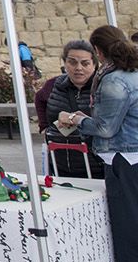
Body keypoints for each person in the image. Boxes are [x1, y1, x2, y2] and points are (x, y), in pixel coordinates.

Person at [59, 25, 138, 262]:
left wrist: (78, 119)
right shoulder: (132, 75)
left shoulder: (115, 81)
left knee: (128, 233)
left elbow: (105, 128)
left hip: (122, 161)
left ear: (99, 52)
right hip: (132, 157)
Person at [37, 39, 103, 178]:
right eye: (72, 62)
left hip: (97, 166)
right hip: (59, 163)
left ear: (95, 64)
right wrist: (44, 126)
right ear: (65, 62)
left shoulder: (104, 87)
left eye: (85, 63)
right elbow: (39, 98)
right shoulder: (54, 84)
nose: (78, 68)